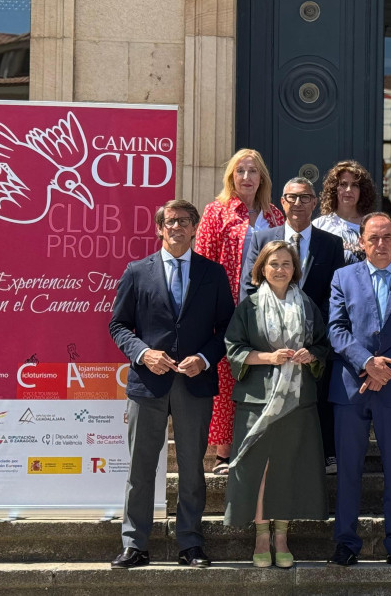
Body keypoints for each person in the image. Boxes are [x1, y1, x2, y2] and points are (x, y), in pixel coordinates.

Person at [108, 200, 234, 569]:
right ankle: (135, 543)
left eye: (184, 221)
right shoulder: (137, 271)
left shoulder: (213, 273)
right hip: (149, 383)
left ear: (195, 228)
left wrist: (206, 358)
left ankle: (191, 544)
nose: (177, 226)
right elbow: (118, 326)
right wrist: (143, 353)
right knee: (140, 467)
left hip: (194, 383)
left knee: (193, 467)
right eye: (170, 221)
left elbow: (226, 328)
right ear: (160, 228)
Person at [326, 212, 391, 568]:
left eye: (387, 237)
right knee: (349, 469)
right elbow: (337, 329)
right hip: (350, 388)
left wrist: (386, 368)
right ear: (361, 242)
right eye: (373, 238)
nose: (381, 244)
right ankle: (345, 541)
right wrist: (366, 363)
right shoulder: (343, 277)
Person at [224, 241, 330, 568]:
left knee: (287, 467)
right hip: (257, 400)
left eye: (286, 263)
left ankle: (281, 537)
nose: (280, 269)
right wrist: (268, 357)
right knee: (259, 470)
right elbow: (233, 349)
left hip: (297, 401)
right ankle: (260, 537)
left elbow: (324, 345)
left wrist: (311, 354)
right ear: (262, 269)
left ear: (294, 269)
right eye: (274, 264)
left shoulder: (308, 305)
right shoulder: (249, 307)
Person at [241, 177, 345, 476]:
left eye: (305, 197)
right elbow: (249, 289)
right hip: (271, 341)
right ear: (282, 202)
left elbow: (334, 294)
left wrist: (313, 336)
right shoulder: (263, 238)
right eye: (292, 197)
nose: (298, 203)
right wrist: (264, 332)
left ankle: (325, 453)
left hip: (313, 340)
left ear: (315, 202)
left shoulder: (331, 243)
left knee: (318, 395)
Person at [194, 149, 285, 475]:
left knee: (261, 376)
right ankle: (223, 452)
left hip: (267, 309)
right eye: (240, 171)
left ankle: (256, 443)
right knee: (227, 375)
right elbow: (201, 263)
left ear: (262, 178)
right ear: (231, 177)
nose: (246, 177)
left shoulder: (275, 216)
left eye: (253, 171)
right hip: (227, 307)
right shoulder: (217, 212)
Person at [314, 160, 379, 264]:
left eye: (355, 185)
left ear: (362, 190)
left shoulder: (372, 225)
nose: (348, 190)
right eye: (343, 184)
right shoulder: (319, 225)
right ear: (334, 189)